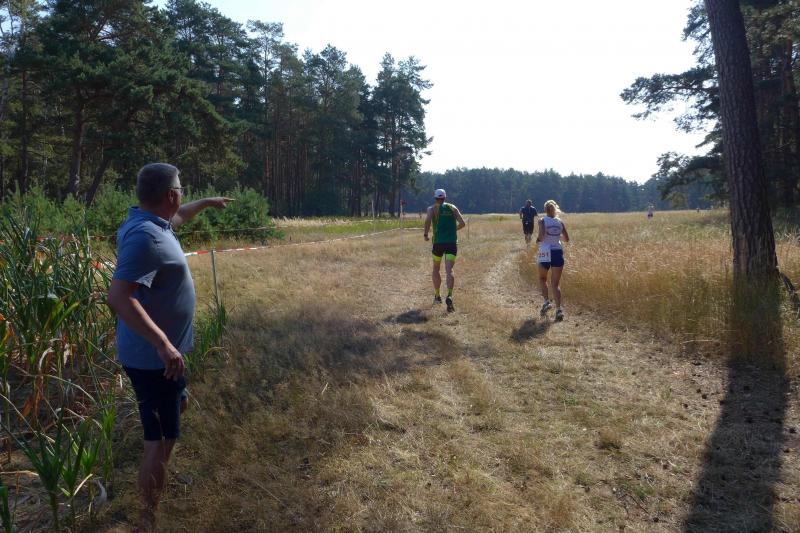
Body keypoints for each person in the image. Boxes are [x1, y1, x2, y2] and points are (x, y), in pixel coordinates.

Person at [107, 163, 232, 532]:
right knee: (160, 439)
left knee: (177, 406)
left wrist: (206, 203)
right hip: (154, 359)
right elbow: (119, 296)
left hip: (163, 356)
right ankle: (146, 519)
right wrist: (163, 344)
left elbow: (179, 216)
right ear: (171, 194)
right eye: (181, 190)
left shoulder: (155, 223)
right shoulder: (146, 237)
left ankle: (157, 479)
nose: (182, 197)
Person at [424, 188, 466, 312]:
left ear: (435, 198)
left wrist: (426, 234)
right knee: (449, 270)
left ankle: (437, 296)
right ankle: (450, 295)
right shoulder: (453, 207)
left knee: (436, 269)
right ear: (445, 197)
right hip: (451, 243)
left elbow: (427, 221)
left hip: (438, 243)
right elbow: (462, 223)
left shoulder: (432, 209)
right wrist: (453, 230)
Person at [536, 199, 570, 321]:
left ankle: (546, 302)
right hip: (557, 252)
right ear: (555, 209)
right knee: (555, 284)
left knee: (542, 278)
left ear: (545, 209)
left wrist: (538, 239)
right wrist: (556, 236)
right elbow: (566, 239)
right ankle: (559, 310)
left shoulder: (542, 220)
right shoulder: (560, 222)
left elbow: (541, 237)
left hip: (545, 252)